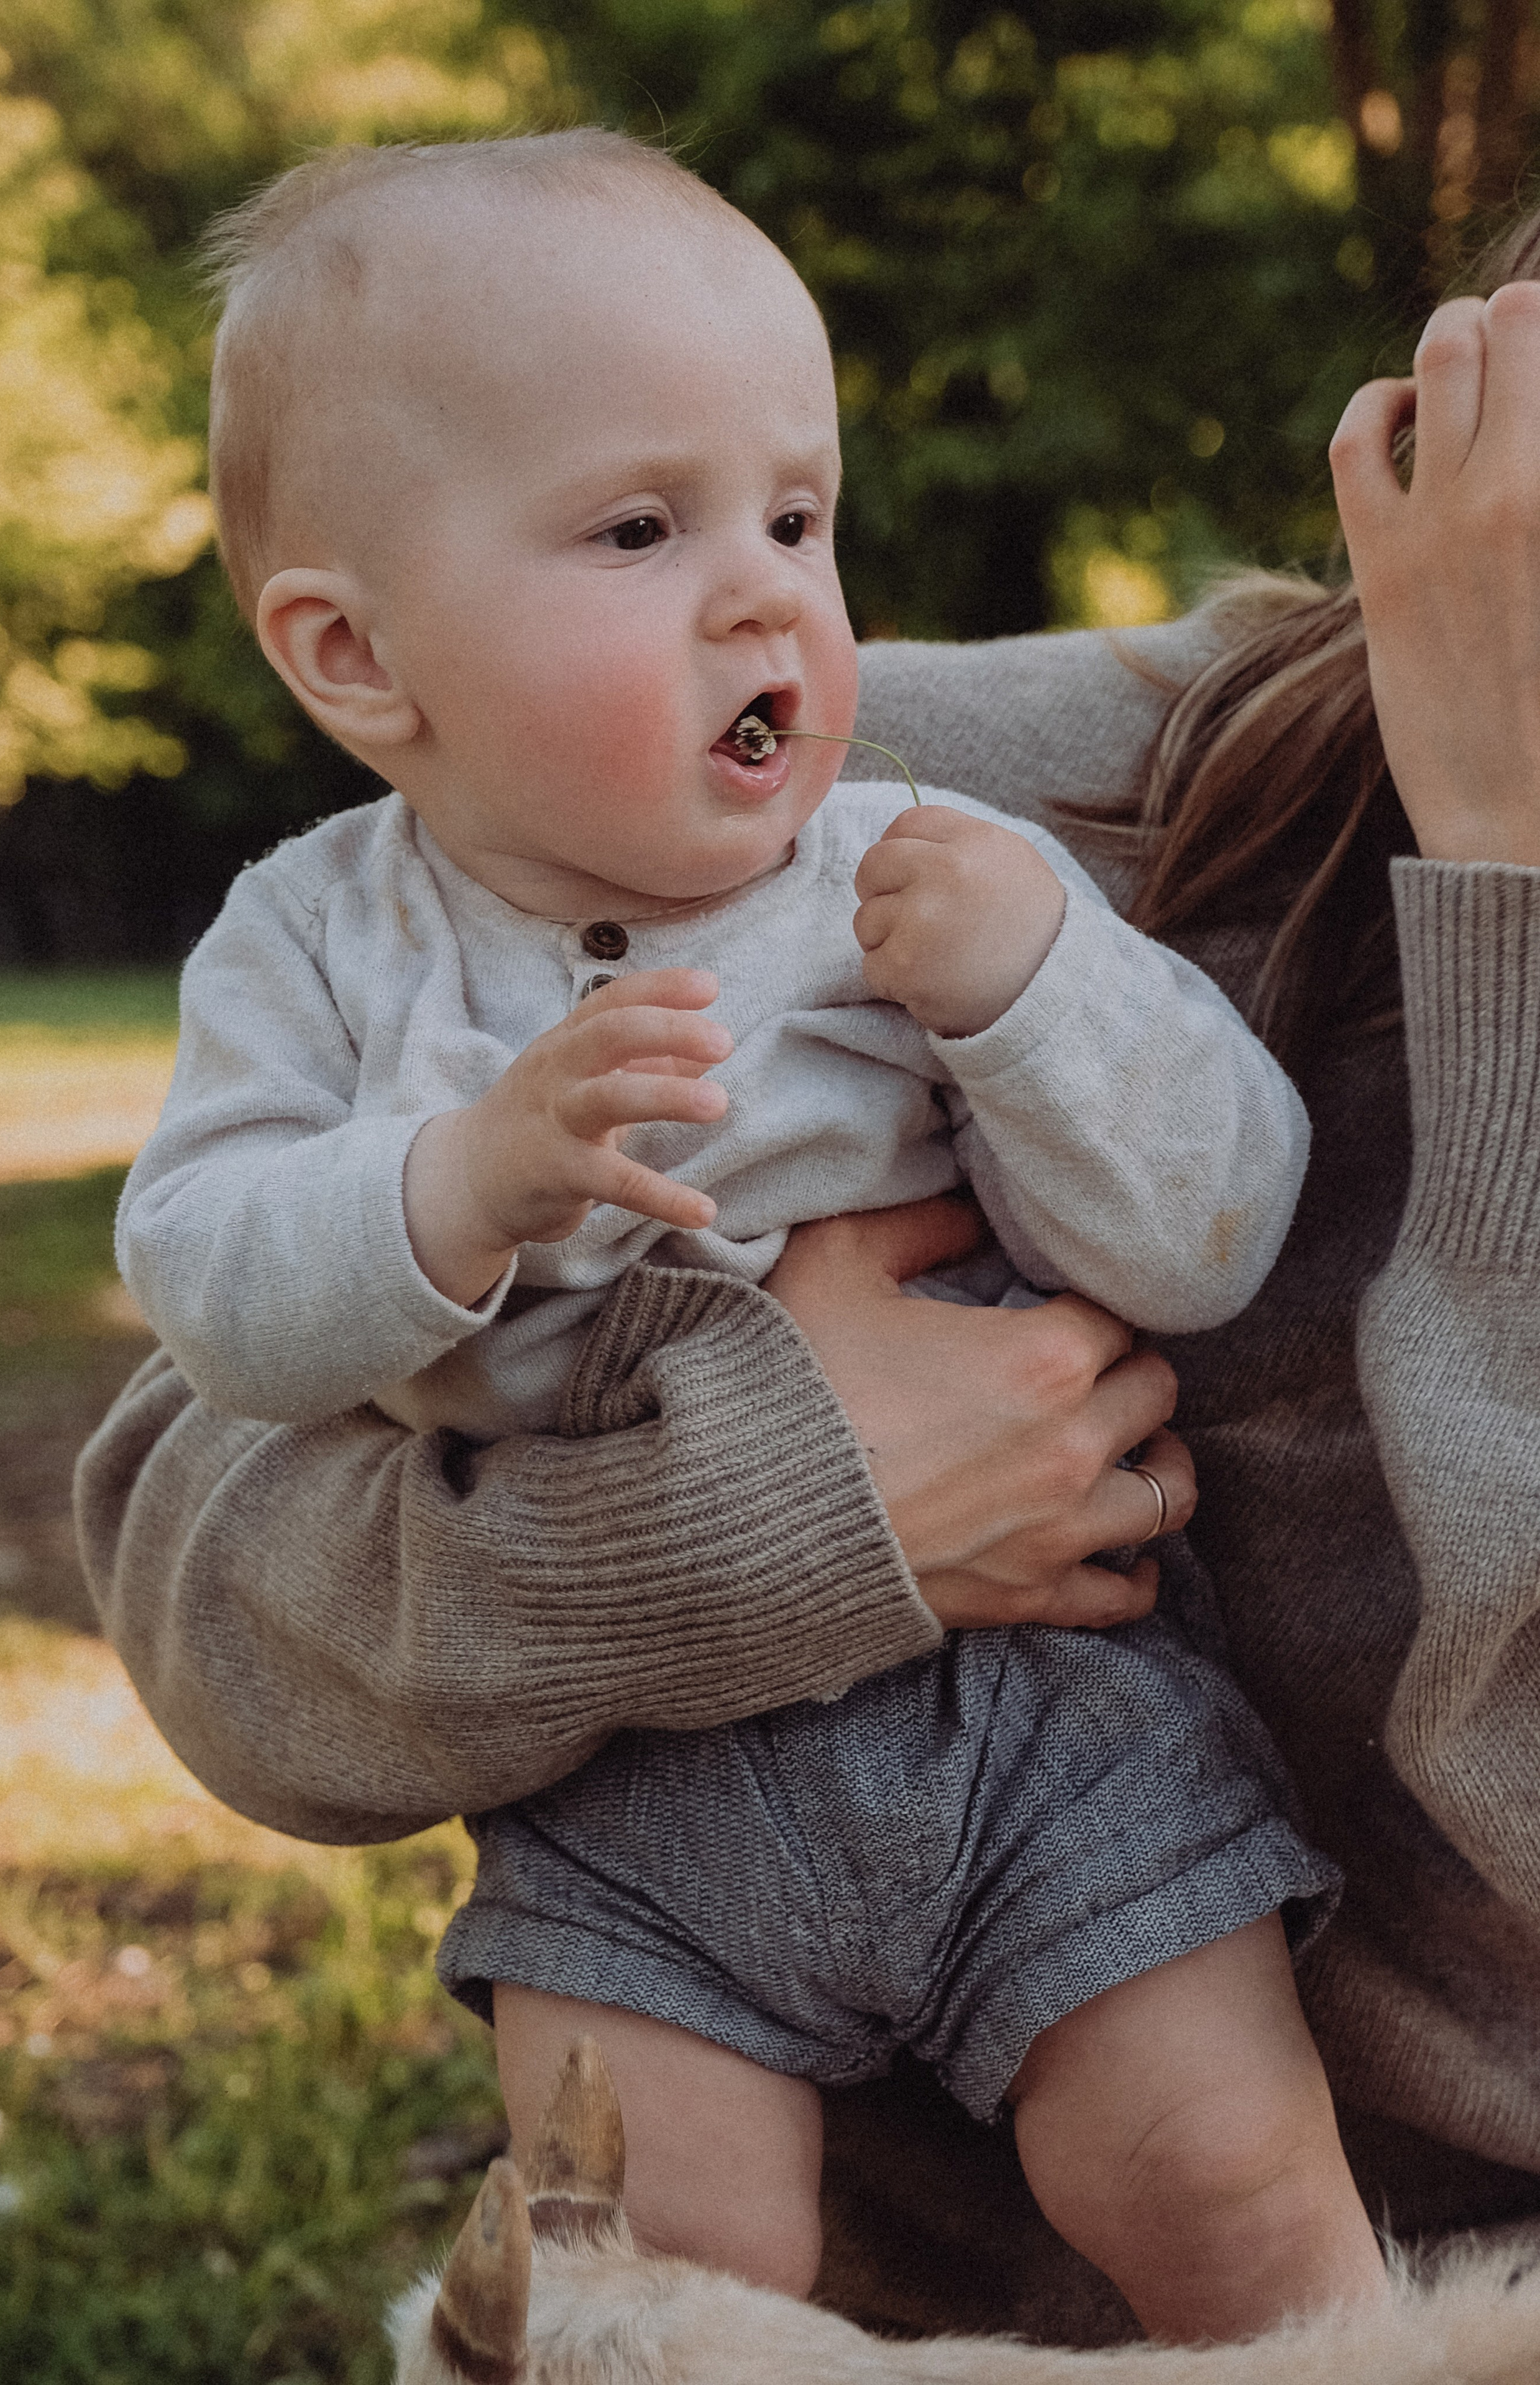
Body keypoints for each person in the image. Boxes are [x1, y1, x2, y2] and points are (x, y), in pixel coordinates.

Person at [76, 183, 1540, 2350]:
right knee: (645, 2272)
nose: (768, 594)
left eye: (798, 519)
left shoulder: (967, 882)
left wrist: (1477, 886)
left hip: (1136, 1863)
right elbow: (206, 1496)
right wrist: (705, 1477)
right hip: (679, 1865)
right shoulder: (874, 794)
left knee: (1242, 2204)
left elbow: (1203, 1221)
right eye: (646, 527)